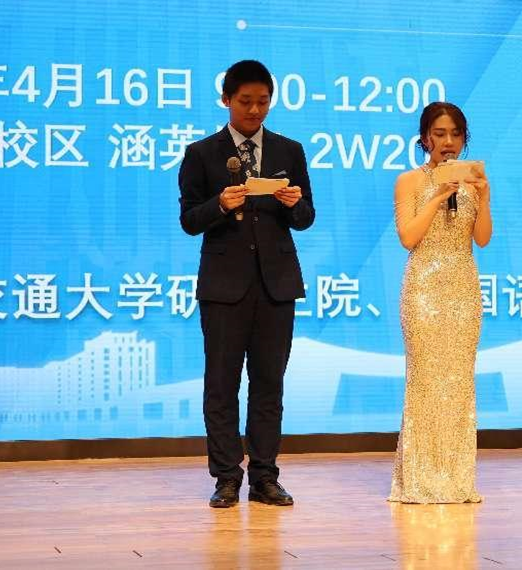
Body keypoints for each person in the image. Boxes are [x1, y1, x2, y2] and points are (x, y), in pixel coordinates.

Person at [178, 60, 315, 508]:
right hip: (223, 288)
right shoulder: (202, 153)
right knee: (221, 385)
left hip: (276, 285)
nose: (255, 110)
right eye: (245, 102)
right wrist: (219, 204)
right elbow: (189, 220)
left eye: (263, 102)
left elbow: (306, 217)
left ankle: (264, 476)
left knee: (269, 384)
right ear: (226, 100)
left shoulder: (289, 150)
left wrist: (293, 203)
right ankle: (225, 478)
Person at [388, 102, 492, 504]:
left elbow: (482, 238)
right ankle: (420, 480)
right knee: (426, 381)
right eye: (440, 133)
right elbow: (408, 237)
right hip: (423, 291)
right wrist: (437, 195)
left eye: (456, 134)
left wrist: (483, 197)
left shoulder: (474, 181)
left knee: (458, 384)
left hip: (462, 290)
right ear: (425, 138)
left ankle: (456, 480)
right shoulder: (409, 181)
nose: (448, 141)